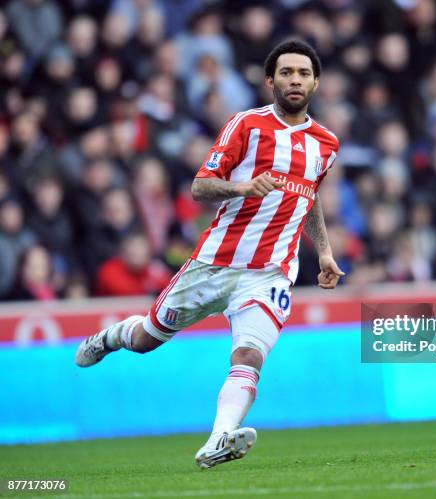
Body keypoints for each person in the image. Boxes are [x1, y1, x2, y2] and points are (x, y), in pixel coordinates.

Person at [75, 40, 344, 468]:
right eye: (288, 72)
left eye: (305, 73)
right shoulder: (246, 126)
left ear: (315, 83)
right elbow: (200, 186)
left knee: (250, 354)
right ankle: (110, 337)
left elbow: (309, 197)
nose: (296, 79)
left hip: (271, 273)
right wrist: (242, 186)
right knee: (147, 339)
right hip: (215, 263)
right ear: (270, 80)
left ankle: (218, 439)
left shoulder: (326, 143)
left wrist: (325, 252)